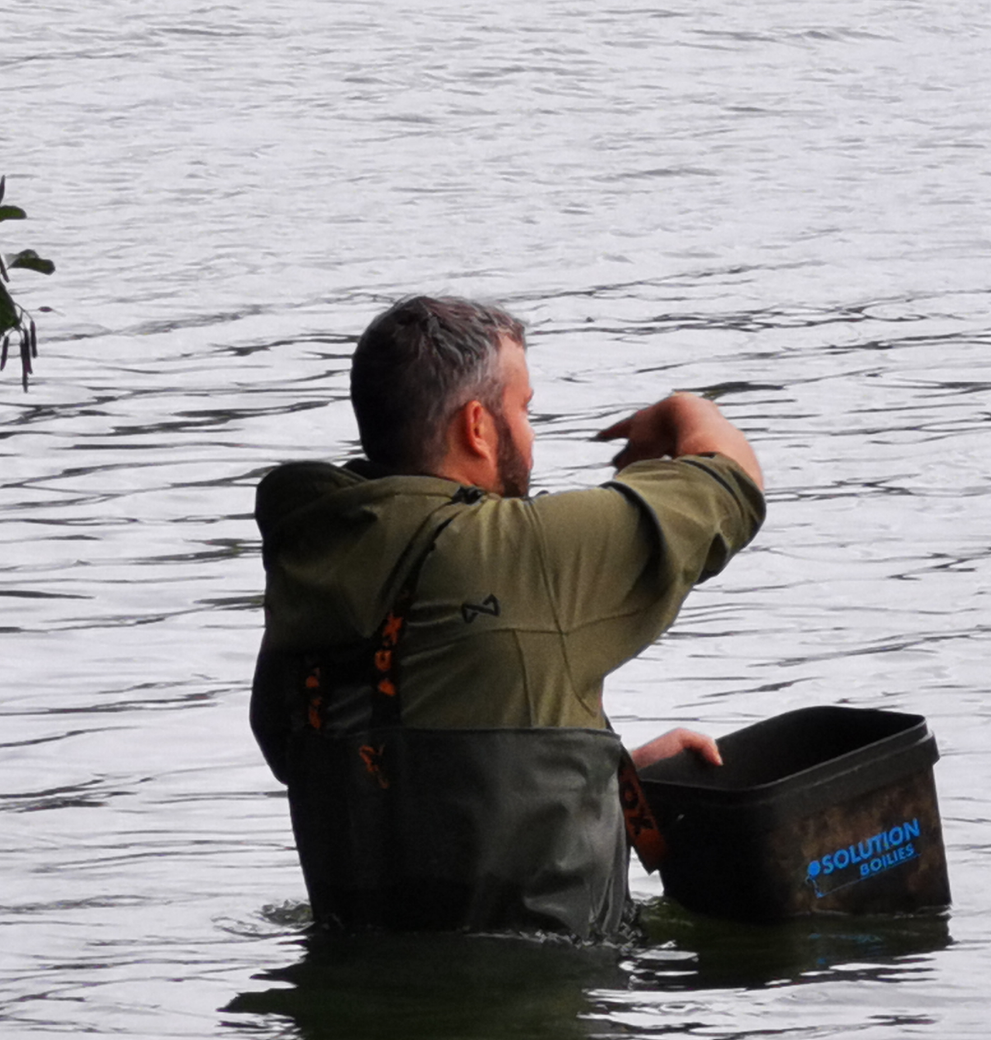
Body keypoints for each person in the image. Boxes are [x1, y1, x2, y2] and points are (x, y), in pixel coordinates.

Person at [249, 296, 765, 939]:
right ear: (477, 427)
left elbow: (394, 784)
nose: (530, 431)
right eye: (524, 409)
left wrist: (607, 780)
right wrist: (686, 410)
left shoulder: (310, 585)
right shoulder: (523, 551)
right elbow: (734, 485)